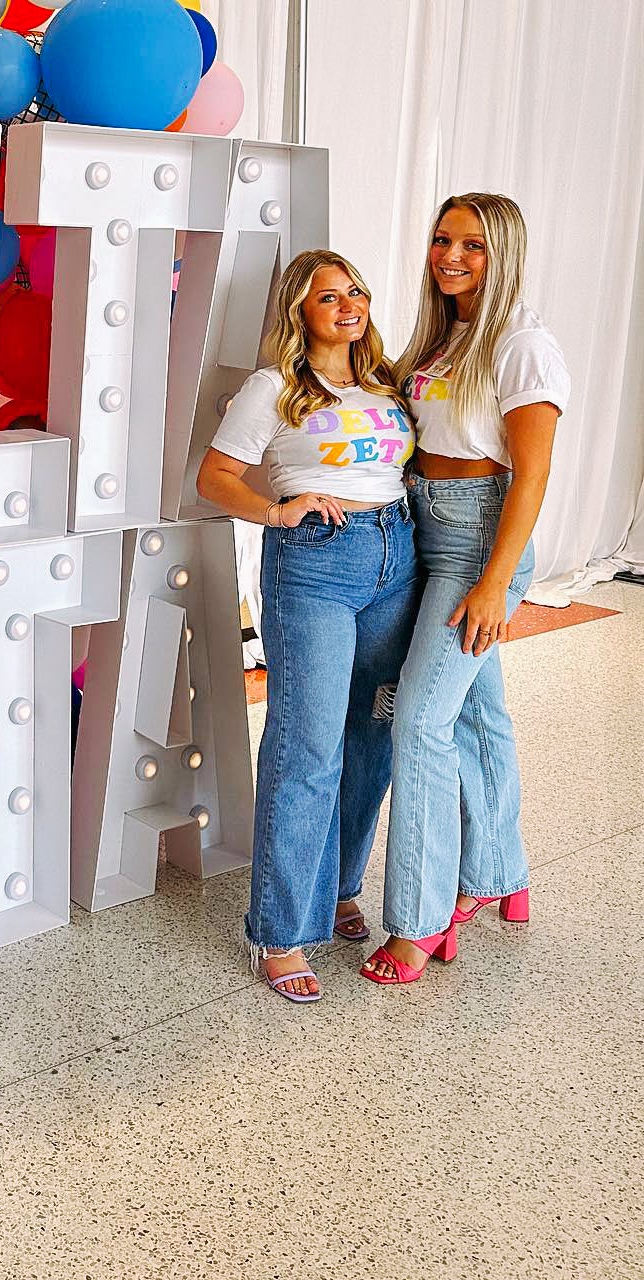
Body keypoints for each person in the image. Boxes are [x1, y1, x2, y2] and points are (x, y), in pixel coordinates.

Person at [197, 250, 418, 1003]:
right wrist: (276, 510)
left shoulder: (386, 383)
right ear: (301, 310)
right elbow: (215, 476)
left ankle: (339, 887)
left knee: (372, 736)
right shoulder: (275, 387)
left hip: (396, 556)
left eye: (356, 291)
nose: (349, 305)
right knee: (308, 747)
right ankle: (281, 930)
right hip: (318, 561)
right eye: (329, 296)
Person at [362, 193, 569, 986]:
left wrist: (493, 585)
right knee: (478, 714)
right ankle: (498, 873)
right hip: (424, 528)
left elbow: (532, 476)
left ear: (503, 253)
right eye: (443, 239)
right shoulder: (446, 335)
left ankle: (418, 923)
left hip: (477, 543)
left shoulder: (523, 345)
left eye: (472, 246)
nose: (450, 256)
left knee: (418, 722)